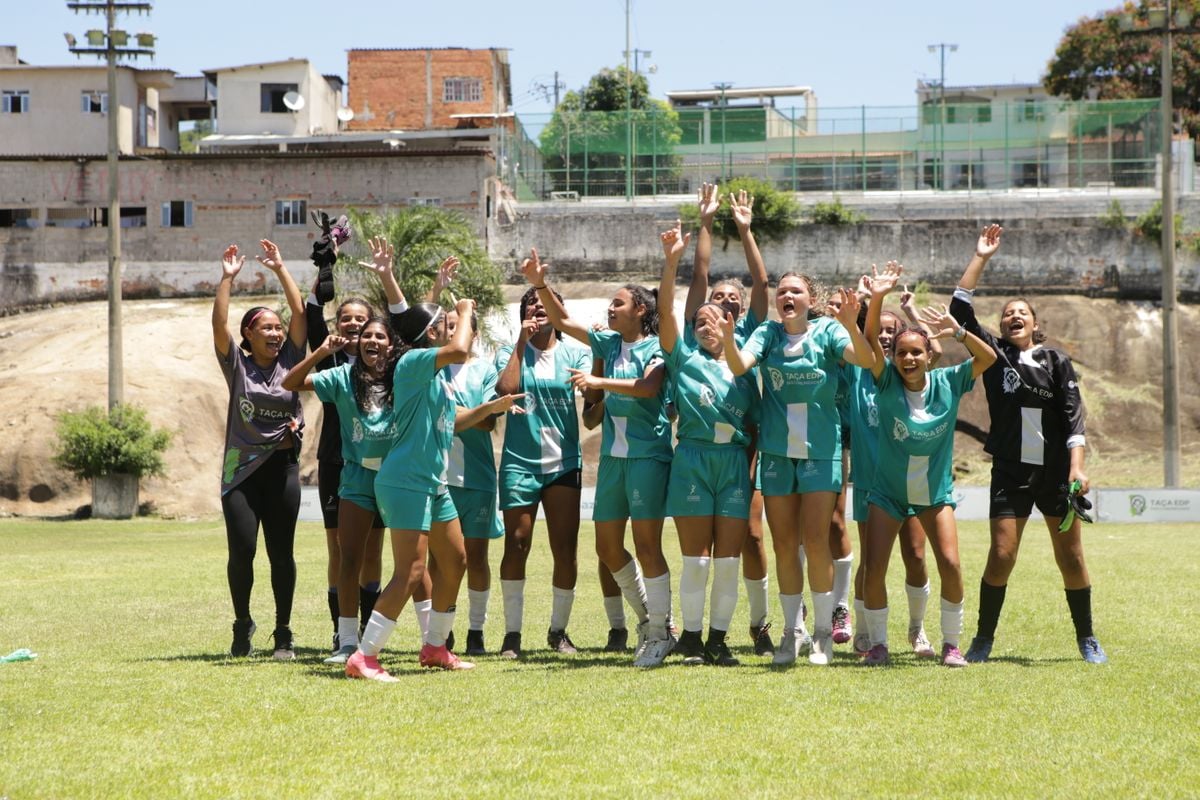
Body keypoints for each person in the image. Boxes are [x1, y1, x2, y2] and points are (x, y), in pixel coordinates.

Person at [950, 225, 1107, 664]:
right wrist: (981, 256)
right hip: (1012, 471)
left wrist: (1076, 468)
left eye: (1022, 312)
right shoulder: (993, 355)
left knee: (1071, 558)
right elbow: (959, 309)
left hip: (1056, 472)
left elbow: (1074, 415)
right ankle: (983, 639)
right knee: (1001, 555)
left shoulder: (1056, 360)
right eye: (1006, 313)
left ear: (1035, 324)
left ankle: (1087, 638)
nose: (1013, 316)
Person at [344, 298, 520, 680]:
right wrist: (467, 308)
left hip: (431, 483)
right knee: (410, 571)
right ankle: (364, 655)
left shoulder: (434, 374)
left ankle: (436, 647)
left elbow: (451, 420)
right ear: (429, 331)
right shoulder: (413, 362)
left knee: (455, 559)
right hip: (405, 482)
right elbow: (460, 348)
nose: (450, 326)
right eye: (444, 322)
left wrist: (490, 408)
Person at [524, 251, 675, 666]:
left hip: (648, 458)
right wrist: (539, 284)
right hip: (613, 460)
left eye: (618, 302)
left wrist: (598, 381)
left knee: (647, 546)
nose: (610, 307)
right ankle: (653, 619)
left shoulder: (658, 346)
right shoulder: (608, 342)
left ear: (640, 310)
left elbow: (647, 388)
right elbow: (562, 322)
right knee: (607, 546)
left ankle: (660, 632)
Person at [725, 270, 874, 666]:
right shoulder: (769, 334)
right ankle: (793, 633)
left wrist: (850, 325)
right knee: (784, 545)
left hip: (820, 452)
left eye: (796, 291)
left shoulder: (827, 330)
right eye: (782, 291)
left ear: (811, 299)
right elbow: (740, 365)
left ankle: (823, 632)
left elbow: (865, 359)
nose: (787, 296)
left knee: (817, 540)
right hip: (776, 454)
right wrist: (727, 336)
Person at [858, 263, 996, 667]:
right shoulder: (884, 383)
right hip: (887, 494)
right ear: (894, 358)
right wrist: (877, 298)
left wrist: (957, 331)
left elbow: (988, 357)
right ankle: (879, 644)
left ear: (927, 356)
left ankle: (952, 644)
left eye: (916, 352)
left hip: (934, 496)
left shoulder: (949, 381)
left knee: (950, 564)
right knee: (875, 570)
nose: (909, 358)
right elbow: (869, 342)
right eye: (902, 353)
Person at [660, 221, 760, 666]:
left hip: (734, 463)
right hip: (693, 461)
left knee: (727, 562)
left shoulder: (747, 363)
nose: (704, 325)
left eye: (713, 320)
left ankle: (719, 641)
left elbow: (757, 423)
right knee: (696, 561)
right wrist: (670, 260)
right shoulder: (683, 358)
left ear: (730, 325)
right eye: (698, 320)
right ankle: (692, 639)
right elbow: (665, 313)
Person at [305, 235, 410, 654]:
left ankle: (369, 629)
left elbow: (407, 328)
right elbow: (312, 314)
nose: (351, 324)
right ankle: (341, 631)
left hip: (384, 468)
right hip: (337, 462)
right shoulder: (331, 361)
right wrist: (325, 268)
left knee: (374, 551)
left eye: (360, 320)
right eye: (344, 318)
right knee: (341, 552)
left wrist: (387, 277)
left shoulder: (390, 363)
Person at [684, 183, 774, 656]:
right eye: (716, 298)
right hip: (707, 455)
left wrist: (744, 229)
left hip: (751, 451)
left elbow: (762, 286)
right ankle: (699, 634)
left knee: (753, 540)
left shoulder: (755, 333)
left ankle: (760, 624)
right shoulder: (696, 339)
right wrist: (704, 222)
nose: (723, 303)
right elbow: (697, 278)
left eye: (730, 298)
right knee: (713, 549)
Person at [212, 240, 307, 660]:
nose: (275, 332)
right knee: (243, 552)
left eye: (278, 328)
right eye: (266, 328)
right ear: (248, 335)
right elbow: (218, 327)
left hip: (282, 469)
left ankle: (283, 632)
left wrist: (281, 269)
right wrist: (227, 280)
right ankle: (241, 624)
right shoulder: (238, 365)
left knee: (281, 554)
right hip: (241, 473)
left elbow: (301, 314)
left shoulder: (291, 361)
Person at [494, 275, 593, 658]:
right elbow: (505, 391)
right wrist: (521, 341)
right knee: (516, 544)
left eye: (545, 303)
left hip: (564, 463)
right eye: (530, 304)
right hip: (520, 463)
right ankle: (512, 636)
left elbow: (591, 388)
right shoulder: (510, 349)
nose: (538, 307)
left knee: (565, 549)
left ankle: (558, 631)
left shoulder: (575, 354)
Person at [842, 282, 940, 658]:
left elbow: (935, 350)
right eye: (877, 330)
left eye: (890, 331)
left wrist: (914, 315)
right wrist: (864, 308)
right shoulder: (856, 369)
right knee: (871, 559)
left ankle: (917, 630)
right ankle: (865, 631)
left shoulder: (907, 375)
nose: (883, 336)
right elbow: (856, 336)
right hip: (870, 480)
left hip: (909, 478)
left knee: (915, 555)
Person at [441, 305, 507, 656]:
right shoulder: (431, 367)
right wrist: (474, 412)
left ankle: (476, 632)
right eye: (447, 326)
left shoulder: (483, 370)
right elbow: (482, 413)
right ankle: (441, 631)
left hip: (478, 477)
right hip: (438, 479)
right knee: (442, 560)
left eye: (459, 326)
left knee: (477, 557)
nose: (453, 332)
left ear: (473, 333)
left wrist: (446, 416)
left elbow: (487, 422)